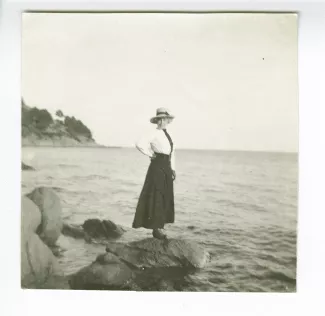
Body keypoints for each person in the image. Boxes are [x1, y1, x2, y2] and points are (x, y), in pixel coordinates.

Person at [132, 107, 176, 239]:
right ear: (158, 120)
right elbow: (139, 144)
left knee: (165, 196)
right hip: (157, 166)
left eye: (165, 119)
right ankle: (156, 229)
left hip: (166, 166)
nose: (163, 121)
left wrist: (173, 169)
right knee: (157, 195)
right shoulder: (153, 133)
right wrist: (150, 154)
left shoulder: (168, 134)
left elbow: (172, 153)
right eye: (161, 119)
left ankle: (161, 226)